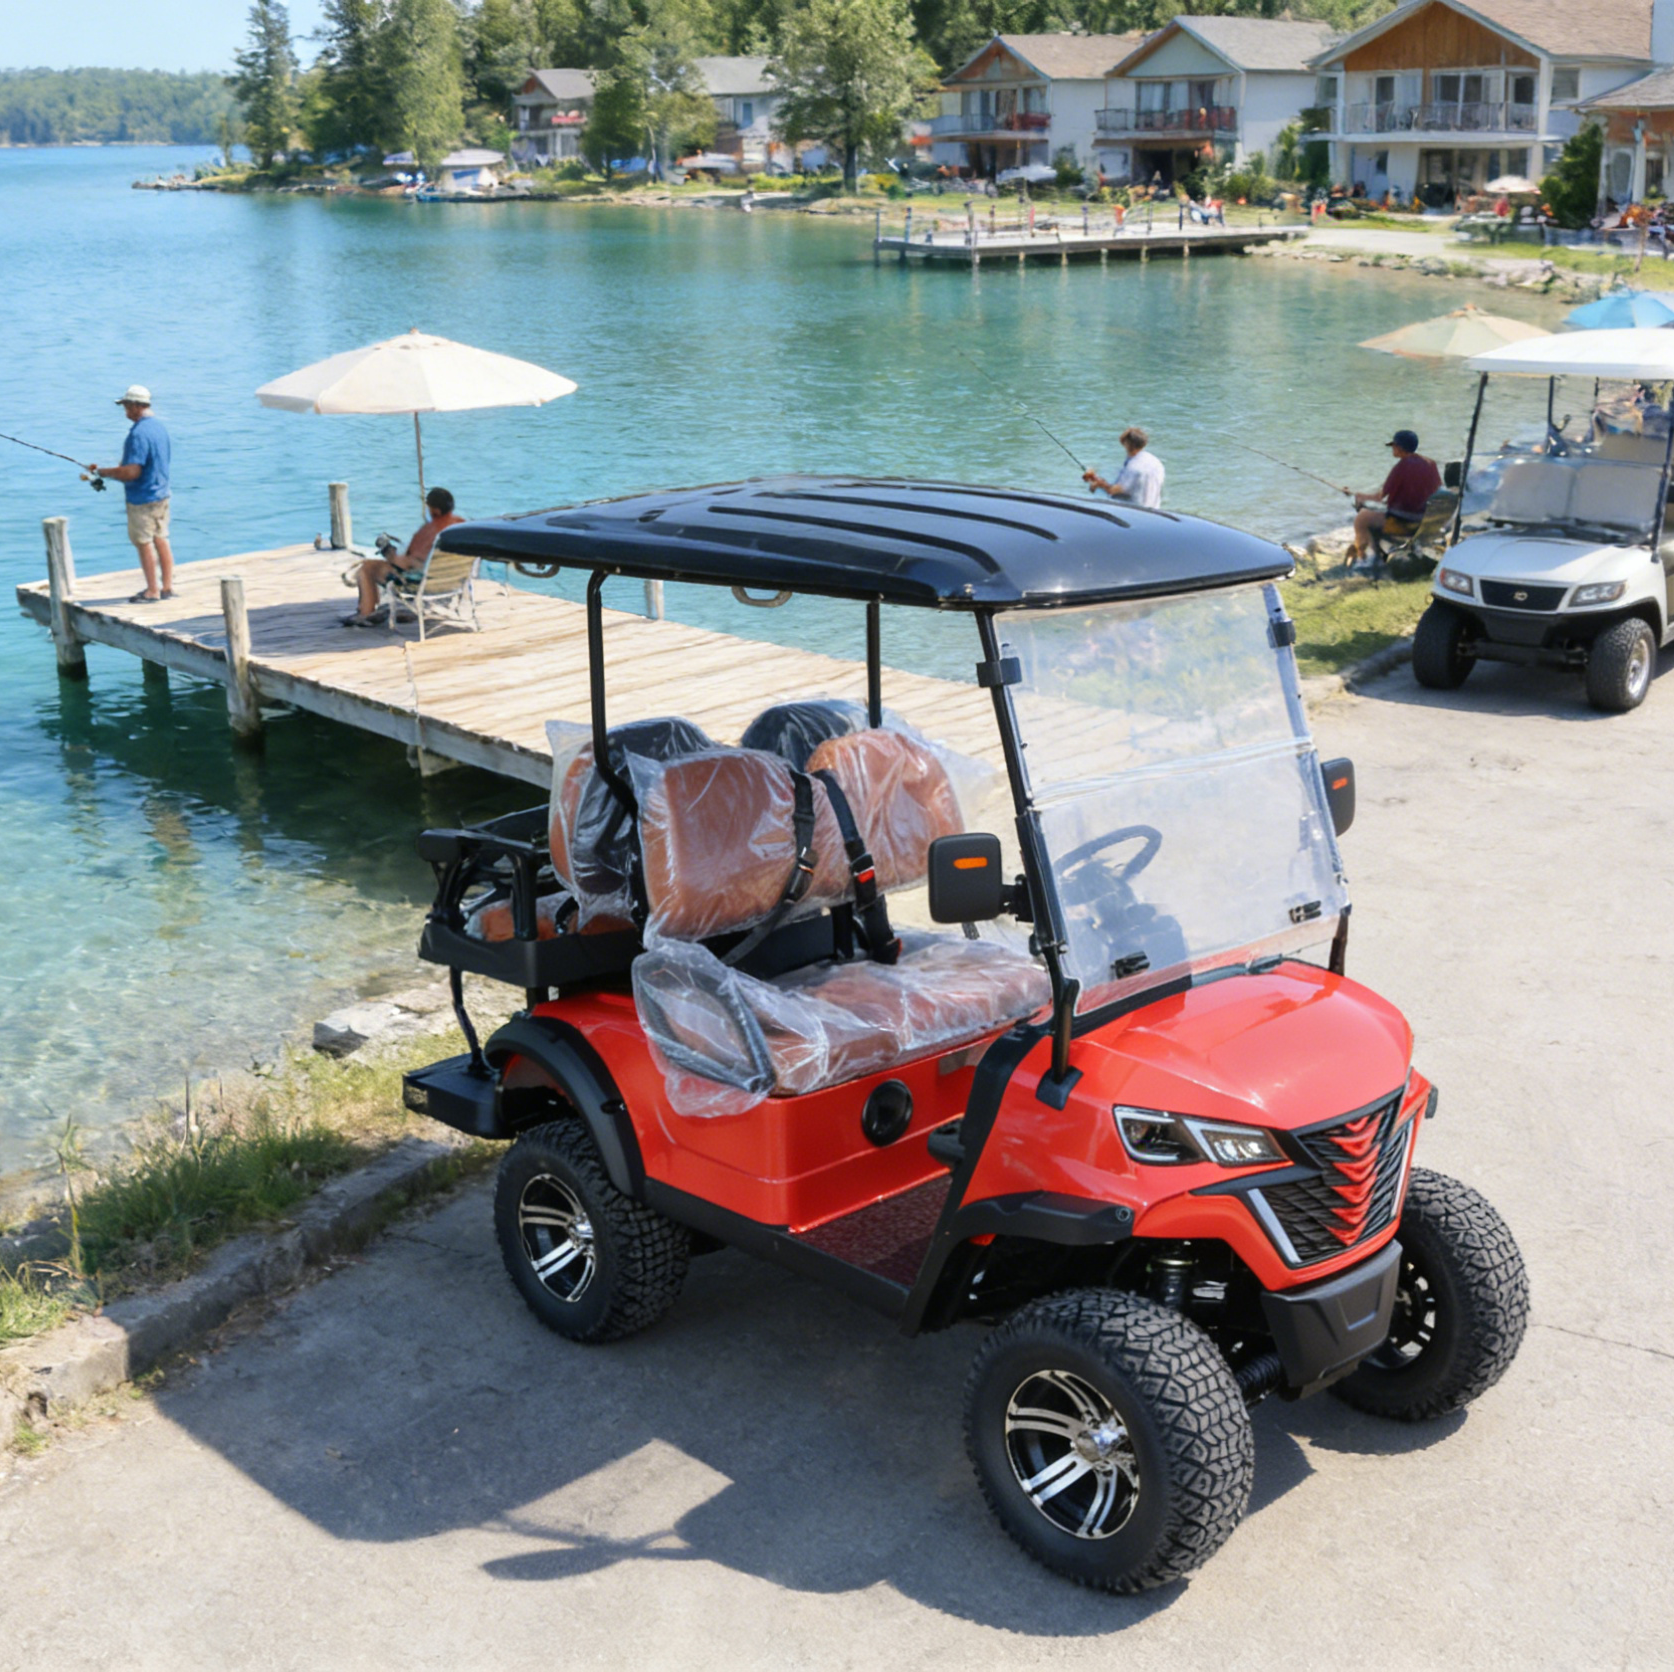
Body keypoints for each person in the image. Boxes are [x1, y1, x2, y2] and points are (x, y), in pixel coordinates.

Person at [90, 384, 173, 602]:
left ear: (137, 406)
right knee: (161, 538)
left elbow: (132, 472)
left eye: (127, 406)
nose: (125, 410)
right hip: (161, 494)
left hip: (142, 499)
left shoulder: (138, 434)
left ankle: (152, 591)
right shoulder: (158, 427)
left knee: (143, 541)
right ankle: (166, 587)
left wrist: (104, 472)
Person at [343, 487, 465, 626]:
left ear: (434, 509)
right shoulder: (462, 526)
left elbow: (407, 564)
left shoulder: (428, 531)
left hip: (423, 585)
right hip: (453, 582)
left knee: (368, 567)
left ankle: (366, 613)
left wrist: (389, 553)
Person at [1349, 429, 1442, 566]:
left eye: (1394, 446)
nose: (1393, 449)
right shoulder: (1431, 464)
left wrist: (1359, 496)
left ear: (1399, 448)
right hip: (1425, 521)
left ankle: (1366, 561)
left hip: (1404, 523)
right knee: (1373, 513)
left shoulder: (1402, 467)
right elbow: (1438, 491)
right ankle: (1376, 556)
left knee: (1361, 519)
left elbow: (1380, 497)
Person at [1083, 427, 1165, 510]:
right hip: (1154, 510)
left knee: (1098, 491)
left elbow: (1113, 490)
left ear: (1126, 444)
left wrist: (1099, 484)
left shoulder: (1133, 466)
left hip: (1134, 511)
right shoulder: (1156, 462)